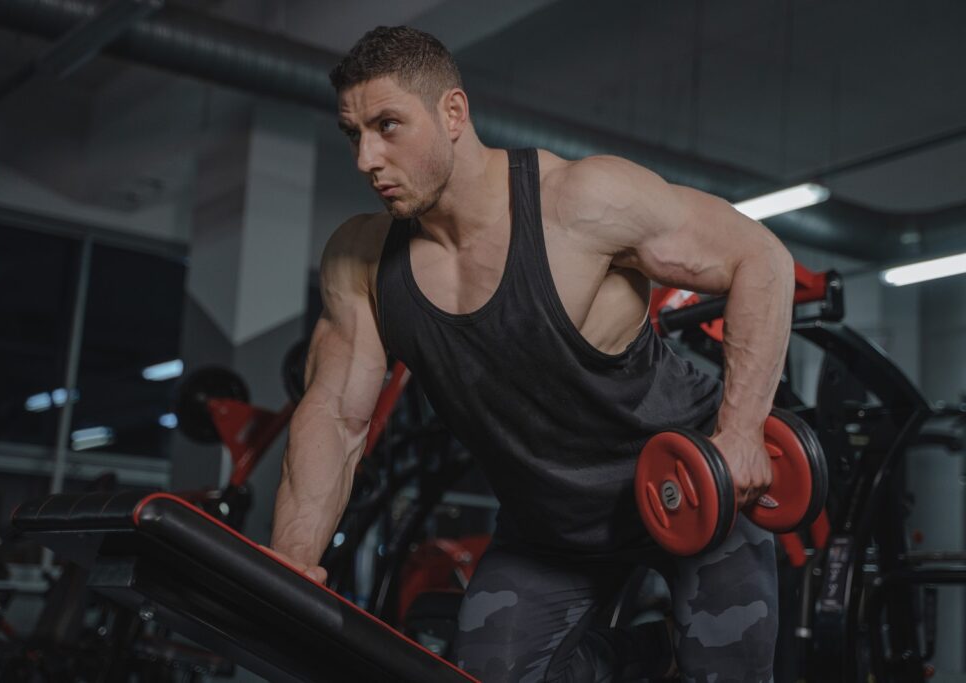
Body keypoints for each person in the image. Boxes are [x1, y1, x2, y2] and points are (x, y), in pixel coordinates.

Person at [270, 25, 793, 683]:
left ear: (452, 113)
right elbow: (336, 414)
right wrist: (290, 561)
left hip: (693, 493)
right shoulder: (365, 259)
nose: (366, 158)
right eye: (354, 133)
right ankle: (636, 660)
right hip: (551, 529)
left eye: (388, 126)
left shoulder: (577, 203)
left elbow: (761, 256)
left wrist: (743, 430)